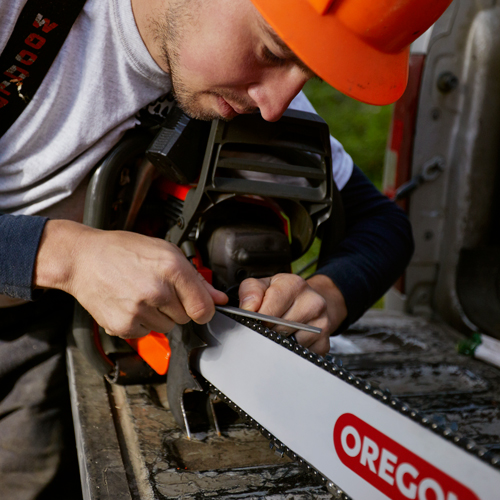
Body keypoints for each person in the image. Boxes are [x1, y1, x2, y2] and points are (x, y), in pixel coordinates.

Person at [0, 0, 451, 498]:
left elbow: (383, 225)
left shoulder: (248, 91)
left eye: (309, 73)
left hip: (35, 327)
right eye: (274, 50)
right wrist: (67, 255)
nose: (276, 103)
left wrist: (325, 296)